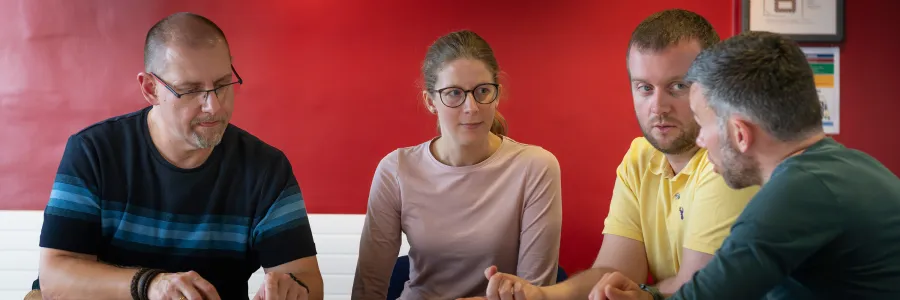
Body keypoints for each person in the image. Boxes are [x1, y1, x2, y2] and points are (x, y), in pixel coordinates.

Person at [462, 9, 759, 300]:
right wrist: (541, 295)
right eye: (644, 88)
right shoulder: (641, 157)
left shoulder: (729, 161)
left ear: (713, 86)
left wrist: (642, 294)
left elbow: (695, 289)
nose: (658, 107)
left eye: (677, 86)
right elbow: (616, 272)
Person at [35, 12, 323, 300]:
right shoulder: (94, 152)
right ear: (150, 89)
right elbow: (54, 279)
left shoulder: (266, 169)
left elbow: (306, 278)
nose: (213, 106)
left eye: (223, 84)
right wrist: (150, 285)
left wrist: (291, 290)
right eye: (190, 90)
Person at [593, 31, 900, 300]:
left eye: (702, 124)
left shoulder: (796, 194)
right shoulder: (851, 167)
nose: (700, 140)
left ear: (740, 134)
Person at [350, 30, 563, 299]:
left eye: (483, 91)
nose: (471, 107)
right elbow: (368, 287)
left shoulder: (535, 167)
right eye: (453, 93)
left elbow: (534, 292)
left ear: (497, 95)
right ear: (430, 101)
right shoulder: (396, 169)